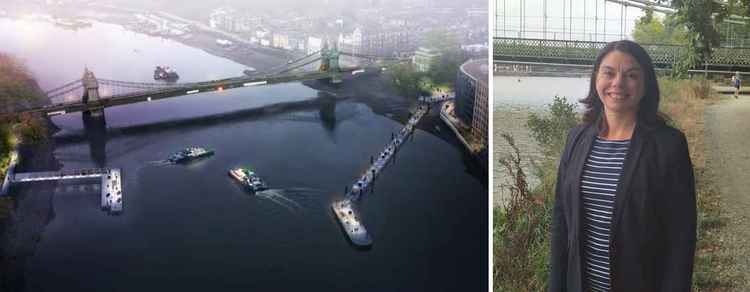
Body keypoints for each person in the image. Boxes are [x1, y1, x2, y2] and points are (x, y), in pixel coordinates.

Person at [548, 40, 696, 292]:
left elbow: (680, 238)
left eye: (631, 75)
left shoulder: (668, 145)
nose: (618, 82)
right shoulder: (577, 138)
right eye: (609, 73)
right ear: (596, 79)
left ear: (646, 84)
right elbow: (561, 221)